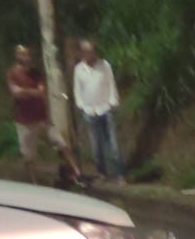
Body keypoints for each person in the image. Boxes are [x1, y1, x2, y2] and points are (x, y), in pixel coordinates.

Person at [7, 44, 81, 185]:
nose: (26, 57)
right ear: (17, 56)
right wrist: (31, 92)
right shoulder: (12, 74)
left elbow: (41, 91)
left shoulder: (36, 74)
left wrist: (25, 91)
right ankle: (33, 181)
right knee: (29, 155)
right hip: (25, 122)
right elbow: (16, 93)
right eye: (23, 55)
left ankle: (76, 172)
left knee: (61, 143)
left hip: (41, 119)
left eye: (28, 55)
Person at [74, 38, 125, 185]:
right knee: (96, 145)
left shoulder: (104, 65)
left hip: (105, 108)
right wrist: (82, 106)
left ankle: (119, 174)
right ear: (81, 53)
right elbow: (77, 91)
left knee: (113, 144)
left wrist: (113, 101)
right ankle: (102, 173)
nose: (89, 54)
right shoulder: (79, 69)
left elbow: (111, 84)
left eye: (91, 50)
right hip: (90, 111)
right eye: (85, 51)